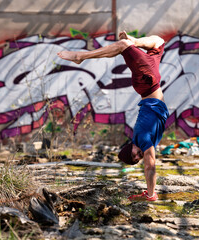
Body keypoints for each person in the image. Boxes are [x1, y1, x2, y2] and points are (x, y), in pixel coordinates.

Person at [57, 31, 169, 201]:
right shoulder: (146, 141)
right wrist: (150, 192)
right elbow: (149, 165)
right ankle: (134, 41)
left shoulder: (143, 139)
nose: (139, 155)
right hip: (150, 84)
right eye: (137, 158)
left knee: (124, 46)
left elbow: (150, 166)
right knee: (158, 42)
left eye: (134, 155)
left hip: (147, 83)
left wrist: (151, 194)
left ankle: (81, 56)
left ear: (130, 146)